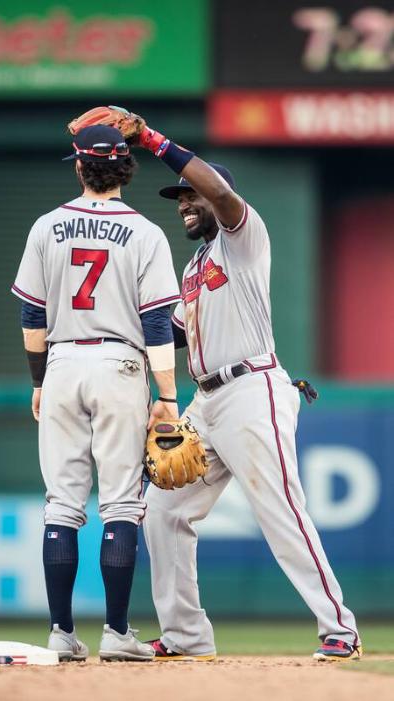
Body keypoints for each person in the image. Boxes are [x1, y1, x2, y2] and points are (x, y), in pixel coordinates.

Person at [124, 118, 362, 662]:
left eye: (192, 195)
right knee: (163, 509)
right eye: (178, 198)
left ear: (214, 195)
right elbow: (180, 333)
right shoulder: (194, 266)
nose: (184, 203)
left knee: (279, 507)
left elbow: (220, 193)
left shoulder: (243, 237)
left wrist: (155, 143)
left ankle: (339, 628)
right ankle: (185, 634)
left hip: (252, 389)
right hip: (205, 401)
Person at [11, 125, 181, 661]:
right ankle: (116, 632)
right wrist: (169, 397)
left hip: (62, 361)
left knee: (61, 504)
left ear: (80, 167)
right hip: (120, 363)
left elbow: (32, 316)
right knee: (121, 505)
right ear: (126, 168)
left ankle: (61, 633)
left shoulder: (47, 226)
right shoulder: (147, 232)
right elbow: (157, 323)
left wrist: (39, 380)